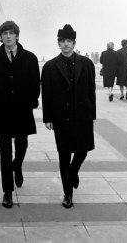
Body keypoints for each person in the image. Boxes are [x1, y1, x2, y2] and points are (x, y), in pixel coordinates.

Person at [41, 24, 96, 209]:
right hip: (61, 116)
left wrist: (92, 113)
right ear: (58, 44)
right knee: (64, 155)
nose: (66, 45)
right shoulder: (49, 66)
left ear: (74, 43)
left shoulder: (87, 63)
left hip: (82, 114)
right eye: (62, 41)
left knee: (83, 150)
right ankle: (67, 194)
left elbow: (91, 90)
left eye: (69, 41)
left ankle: (72, 173)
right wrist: (47, 117)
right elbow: (46, 94)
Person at [0, 21, 40, 209]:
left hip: (22, 108)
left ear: (17, 35)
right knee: (4, 150)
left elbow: (36, 84)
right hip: (3, 110)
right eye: (4, 33)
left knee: (22, 144)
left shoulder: (30, 58)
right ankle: (7, 191)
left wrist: (31, 102)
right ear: (0, 37)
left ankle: (17, 165)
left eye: (11, 33)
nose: (8, 36)